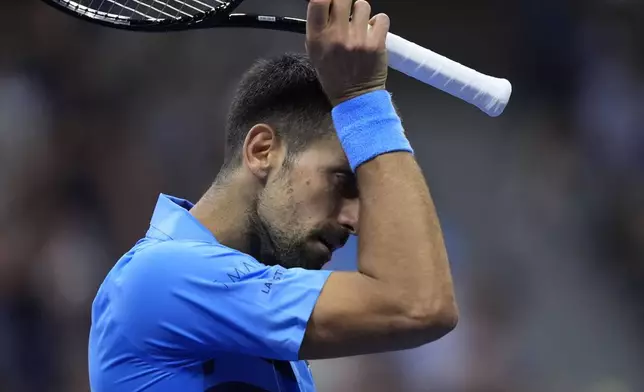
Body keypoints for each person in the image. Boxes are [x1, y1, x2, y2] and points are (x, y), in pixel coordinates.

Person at [87, 0, 459, 390]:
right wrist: (362, 99)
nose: (355, 223)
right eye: (342, 181)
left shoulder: (273, 336)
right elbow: (419, 305)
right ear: (262, 151)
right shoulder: (162, 276)